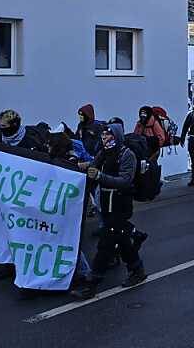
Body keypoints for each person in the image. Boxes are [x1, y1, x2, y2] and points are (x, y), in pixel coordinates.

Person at [71, 123, 146, 298]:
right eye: (103, 136)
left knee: (106, 243)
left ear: (117, 137)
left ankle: (92, 283)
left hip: (120, 204)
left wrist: (99, 176)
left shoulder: (127, 155)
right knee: (122, 239)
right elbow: (95, 164)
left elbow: (125, 180)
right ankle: (137, 268)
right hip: (106, 202)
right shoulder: (104, 152)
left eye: (108, 136)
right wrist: (81, 165)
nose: (105, 139)